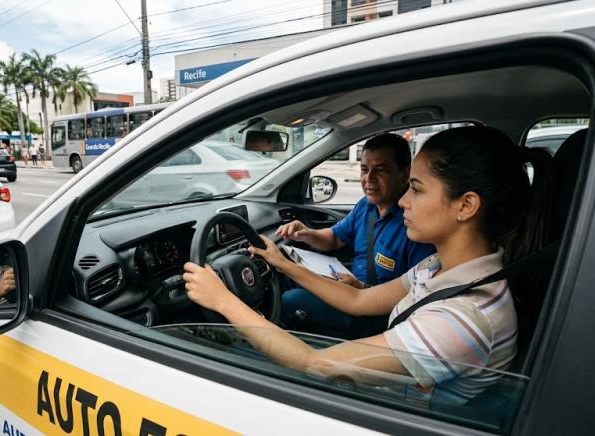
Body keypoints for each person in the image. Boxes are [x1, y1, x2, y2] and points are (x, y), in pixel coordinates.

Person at [183, 126, 554, 403]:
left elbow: (317, 365)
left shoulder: (463, 320)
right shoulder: (440, 266)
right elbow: (358, 300)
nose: (404, 201)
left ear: (466, 205)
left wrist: (222, 300)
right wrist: (283, 263)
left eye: (417, 189)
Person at [277, 133, 434, 338]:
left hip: (374, 313)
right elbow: (334, 238)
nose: (369, 179)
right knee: (288, 278)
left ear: (404, 175)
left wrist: (362, 288)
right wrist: (306, 234)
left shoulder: (415, 224)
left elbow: (417, 295)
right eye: (364, 170)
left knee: (291, 300)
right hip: (348, 288)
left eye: (380, 170)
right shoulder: (365, 206)